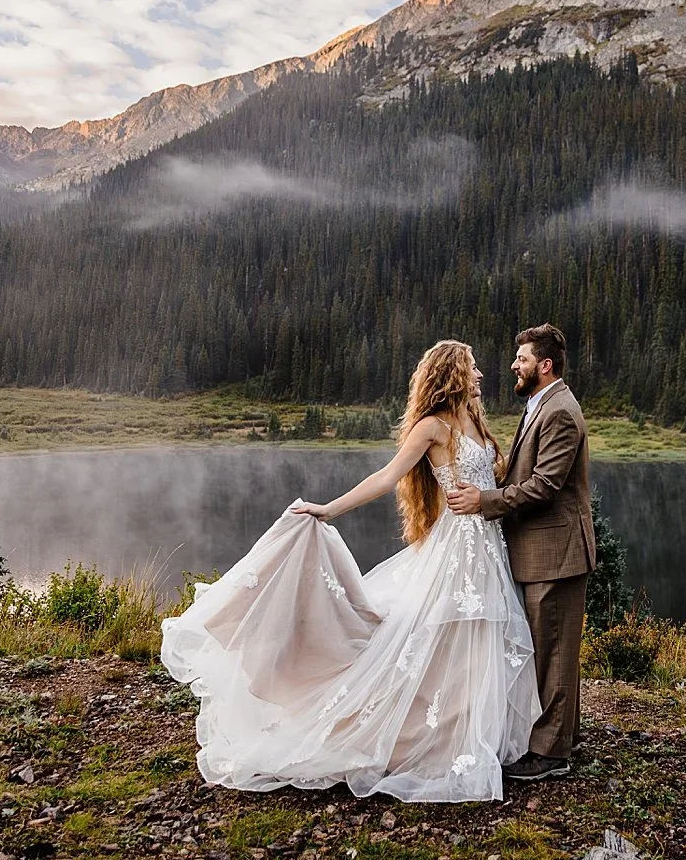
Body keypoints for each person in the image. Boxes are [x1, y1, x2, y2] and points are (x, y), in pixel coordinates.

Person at [159, 340, 539, 802]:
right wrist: (330, 510)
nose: (481, 375)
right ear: (455, 375)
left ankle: (466, 737)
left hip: (486, 546)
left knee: (475, 641)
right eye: (474, 368)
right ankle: (428, 743)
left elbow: (489, 481)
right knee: (442, 639)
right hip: (456, 548)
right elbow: (386, 477)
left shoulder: (475, 420)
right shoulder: (432, 428)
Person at [445, 323, 593, 782]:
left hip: (558, 550)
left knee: (553, 650)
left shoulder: (560, 412)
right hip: (542, 549)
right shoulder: (540, 406)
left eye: (523, 359)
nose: (515, 365)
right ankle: (561, 734)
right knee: (549, 649)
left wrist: (485, 501)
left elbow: (546, 486)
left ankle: (551, 754)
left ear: (544, 366)